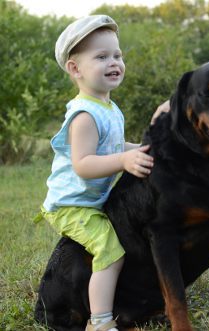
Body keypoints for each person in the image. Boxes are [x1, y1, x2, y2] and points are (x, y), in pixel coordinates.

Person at [34, 15, 168, 331]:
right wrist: (124, 161)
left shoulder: (107, 106)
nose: (114, 62)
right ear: (75, 69)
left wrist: (143, 149)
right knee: (111, 251)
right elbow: (84, 164)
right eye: (101, 56)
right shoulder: (84, 115)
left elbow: (114, 144)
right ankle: (101, 320)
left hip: (92, 201)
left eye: (117, 55)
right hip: (71, 205)